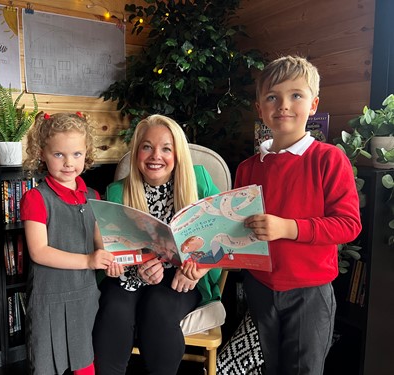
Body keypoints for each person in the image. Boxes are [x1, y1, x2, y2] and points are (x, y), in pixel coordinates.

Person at [231, 55, 362, 374]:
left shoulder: (329, 159)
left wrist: (287, 228)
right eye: (272, 97)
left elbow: (348, 225)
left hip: (309, 291)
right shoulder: (248, 168)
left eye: (296, 95)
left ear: (314, 104)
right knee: (271, 367)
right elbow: (236, 229)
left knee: (304, 369)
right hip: (260, 287)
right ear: (260, 108)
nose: (283, 105)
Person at [92, 114, 223, 375]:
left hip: (185, 276)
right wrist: (134, 265)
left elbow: (222, 234)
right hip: (133, 274)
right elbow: (112, 247)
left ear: (177, 154)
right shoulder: (117, 191)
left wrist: (199, 269)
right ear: (137, 151)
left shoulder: (198, 180)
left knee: (158, 306)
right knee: (113, 308)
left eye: (166, 148)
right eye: (147, 147)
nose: (155, 156)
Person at [20, 112, 118, 375]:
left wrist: (111, 260)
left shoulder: (93, 196)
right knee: (45, 365)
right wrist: (88, 261)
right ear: (42, 153)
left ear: (86, 153)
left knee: (85, 364)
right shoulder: (35, 198)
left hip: (84, 297)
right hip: (48, 299)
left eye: (76, 154)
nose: (68, 163)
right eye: (58, 155)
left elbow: (102, 242)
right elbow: (38, 252)